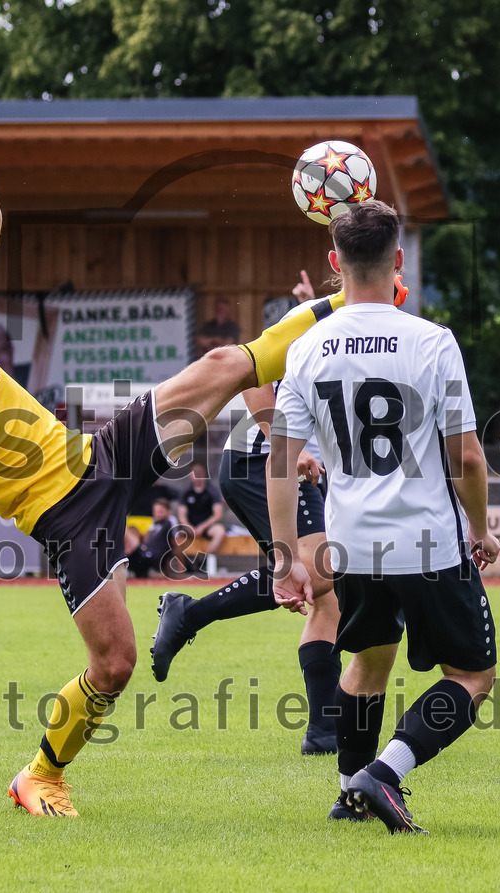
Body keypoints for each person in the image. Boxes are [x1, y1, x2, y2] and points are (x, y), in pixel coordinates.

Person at [0, 134, 348, 817]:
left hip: (99, 458)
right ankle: (38, 775)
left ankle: (353, 298)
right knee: (115, 664)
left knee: (222, 364)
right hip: (67, 522)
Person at [267, 199, 500, 833]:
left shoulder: (306, 348)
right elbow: (468, 460)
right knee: (474, 675)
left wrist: (286, 558)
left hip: (352, 544)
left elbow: (282, 462)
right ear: (397, 260)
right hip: (426, 541)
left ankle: (349, 793)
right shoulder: (431, 342)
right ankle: (385, 772)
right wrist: (481, 532)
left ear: (333, 262)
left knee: (368, 663)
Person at [151, 271, 343, 756]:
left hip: (288, 464)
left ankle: (323, 734)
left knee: (327, 590)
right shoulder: (323, 320)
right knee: (321, 578)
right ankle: (189, 614)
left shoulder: (348, 324)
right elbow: (252, 380)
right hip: (263, 459)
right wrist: (285, 442)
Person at [125, 497, 189, 579]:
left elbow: (177, 546)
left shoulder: (170, 521)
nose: (157, 514)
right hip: (143, 555)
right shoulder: (154, 522)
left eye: (160, 512)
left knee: (125, 530)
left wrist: (181, 571)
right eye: (155, 511)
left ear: (169, 512)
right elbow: (147, 540)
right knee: (129, 532)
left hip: (151, 559)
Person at [176, 461, 227, 560]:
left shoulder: (212, 491)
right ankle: (181, 568)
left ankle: (204, 559)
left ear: (204, 474)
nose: (196, 476)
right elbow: (182, 515)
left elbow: (218, 514)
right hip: (189, 527)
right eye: (194, 473)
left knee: (220, 532)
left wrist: (202, 527)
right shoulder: (186, 492)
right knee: (175, 535)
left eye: (199, 473)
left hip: (207, 527)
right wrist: (190, 528)